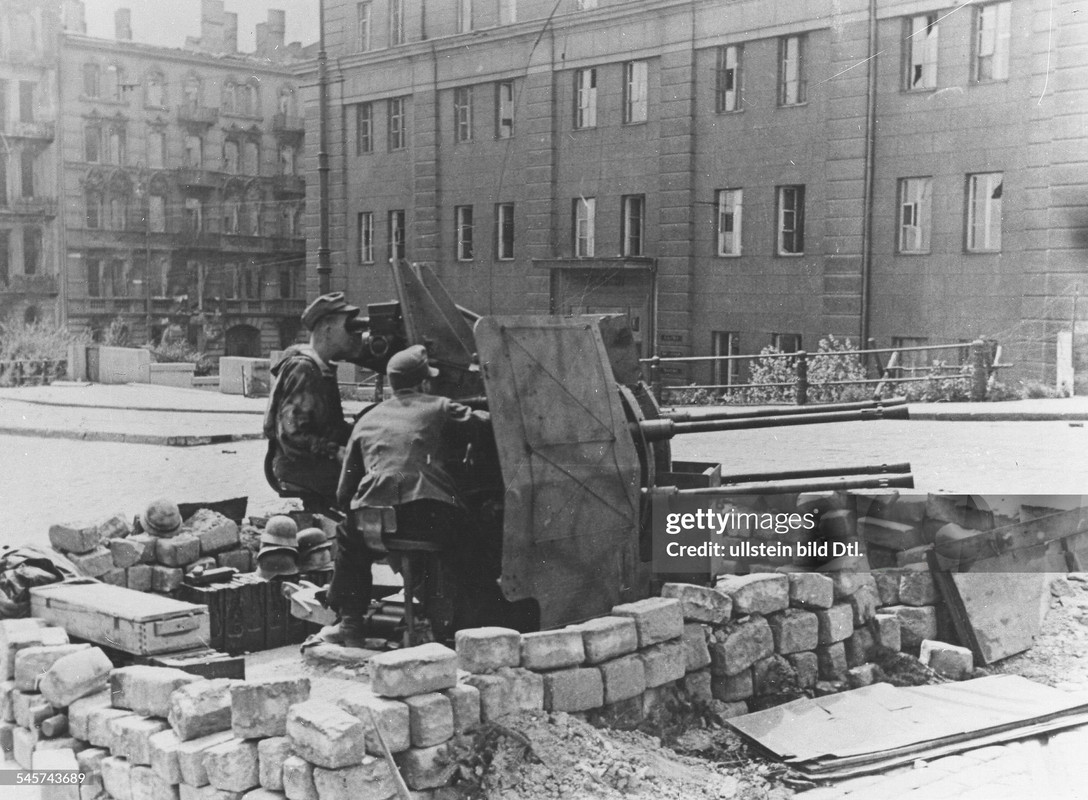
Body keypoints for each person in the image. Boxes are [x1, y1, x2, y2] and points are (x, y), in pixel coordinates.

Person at [326, 344, 490, 646]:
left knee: (348, 540)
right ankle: (470, 628)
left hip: (374, 520)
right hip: (427, 515)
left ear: (391, 383)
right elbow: (484, 426)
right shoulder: (440, 406)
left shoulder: (368, 417)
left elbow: (344, 490)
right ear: (425, 382)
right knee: (477, 545)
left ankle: (350, 622)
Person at [264, 292, 364, 510]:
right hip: (300, 466)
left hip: (310, 462)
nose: (353, 335)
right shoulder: (304, 369)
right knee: (373, 484)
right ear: (327, 329)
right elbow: (292, 434)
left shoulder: (320, 369)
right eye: (348, 327)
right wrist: (335, 451)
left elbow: (331, 427)